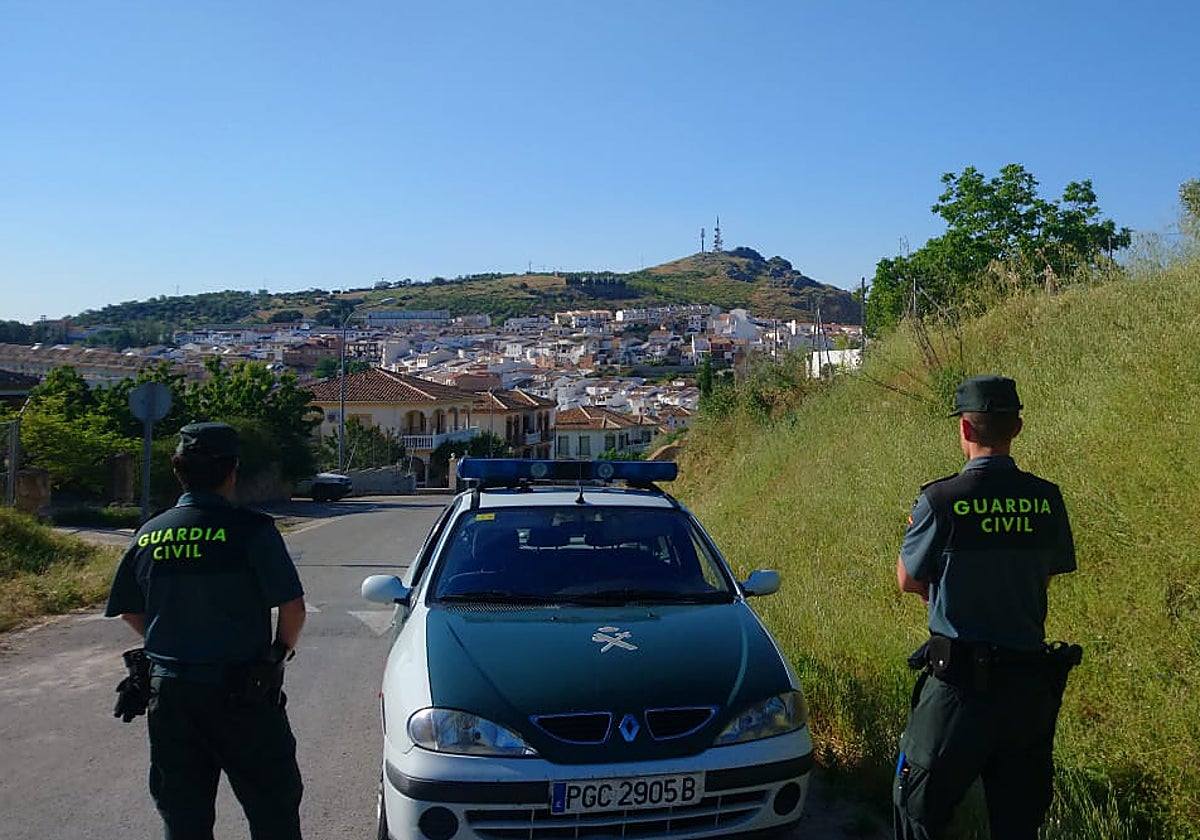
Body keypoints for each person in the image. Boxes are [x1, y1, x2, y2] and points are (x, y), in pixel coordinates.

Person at [892, 375, 1079, 840]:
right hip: (1029, 688)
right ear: (1016, 429)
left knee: (917, 807)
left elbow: (907, 579)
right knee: (1018, 822)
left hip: (958, 690)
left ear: (965, 431)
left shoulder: (940, 500)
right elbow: (1046, 574)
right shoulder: (1045, 499)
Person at [105, 422, 307, 840]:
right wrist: (279, 652)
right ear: (232, 471)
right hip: (243, 695)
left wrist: (171, 637)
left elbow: (128, 609)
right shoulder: (251, 531)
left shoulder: (149, 534)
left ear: (179, 471)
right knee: (273, 809)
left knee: (184, 817)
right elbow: (293, 608)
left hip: (172, 695)